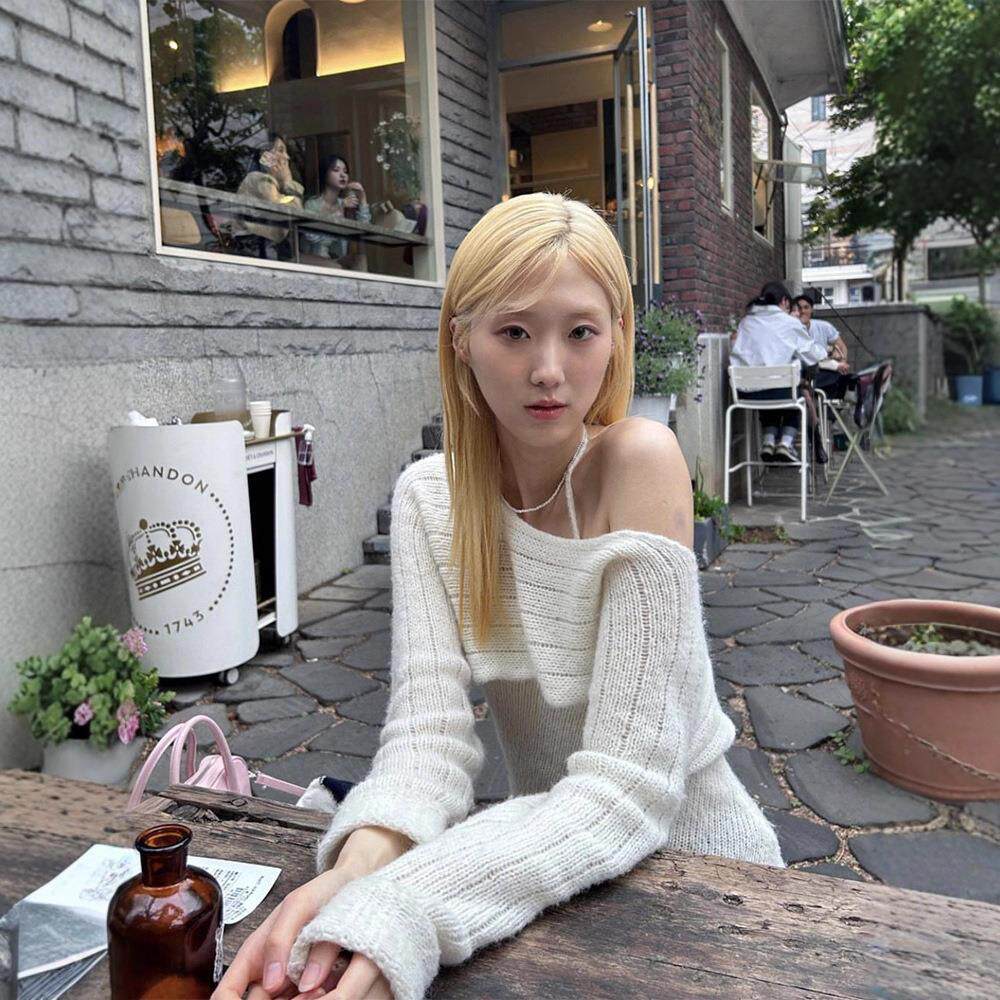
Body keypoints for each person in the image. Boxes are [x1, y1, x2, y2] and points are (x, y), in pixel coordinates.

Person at [213, 193, 784, 1000]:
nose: (548, 369)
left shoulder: (641, 462)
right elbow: (427, 742)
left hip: (702, 888)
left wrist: (406, 906)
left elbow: (629, 786)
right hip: (549, 883)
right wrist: (352, 872)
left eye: (580, 332)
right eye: (514, 332)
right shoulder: (429, 501)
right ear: (462, 339)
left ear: (618, 335)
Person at [730, 281, 827, 463]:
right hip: (781, 393)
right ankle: (786, 443)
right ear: (784, 301)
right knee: (792, 393)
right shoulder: (789, 323)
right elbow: (812, 355)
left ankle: (768, 442)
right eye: (788, 307)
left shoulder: (745, 322)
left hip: (745, 395)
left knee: (768, 386)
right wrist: (824, 351)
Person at [234, 133, 304, 260]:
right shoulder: (258, 179)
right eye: (280, 150)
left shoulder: (277, 188)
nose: (286, 157)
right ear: (265, 157)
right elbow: (287, 217)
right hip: (259, 253)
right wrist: (288, 183)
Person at [301, 153, 371, 270]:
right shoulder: (312, 204)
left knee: (360, 259)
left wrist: (363, 199)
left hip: (335, 260)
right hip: (312, 258)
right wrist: (339, 210)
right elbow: (312, 237)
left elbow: (364, 230)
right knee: (336, 267)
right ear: (325, 174)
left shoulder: (345, 203)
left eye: (345, 171)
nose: (343, 175)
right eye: (336, 170)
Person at [794, 294, 852, 399]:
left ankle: (832, 406)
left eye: (806, 307)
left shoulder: (824, 326)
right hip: (801, 372)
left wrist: (842, 362)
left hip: (824, 370)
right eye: (799, 308)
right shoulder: (790, 330)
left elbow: (841, 347)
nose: (802, 311)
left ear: (812, 309)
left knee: (841, 379)